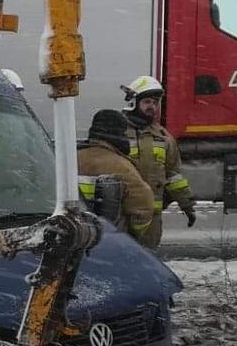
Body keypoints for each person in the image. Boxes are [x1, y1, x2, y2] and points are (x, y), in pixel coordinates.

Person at [120, 76, 196, 245]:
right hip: (122, 214)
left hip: (151, 219)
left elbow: (174, 175)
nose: (152, 107)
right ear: (133, 102)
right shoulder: (118, 133)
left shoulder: (163, 137)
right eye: (147, 102)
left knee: (148, 260)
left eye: (155, 102)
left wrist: (187, 206)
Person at [76, 108, 155, 243]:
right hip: (108, 240)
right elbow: (143, 204)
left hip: (75, 238)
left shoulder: (70, 158)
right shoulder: (121, 166)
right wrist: (133, 234)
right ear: (119, 133)